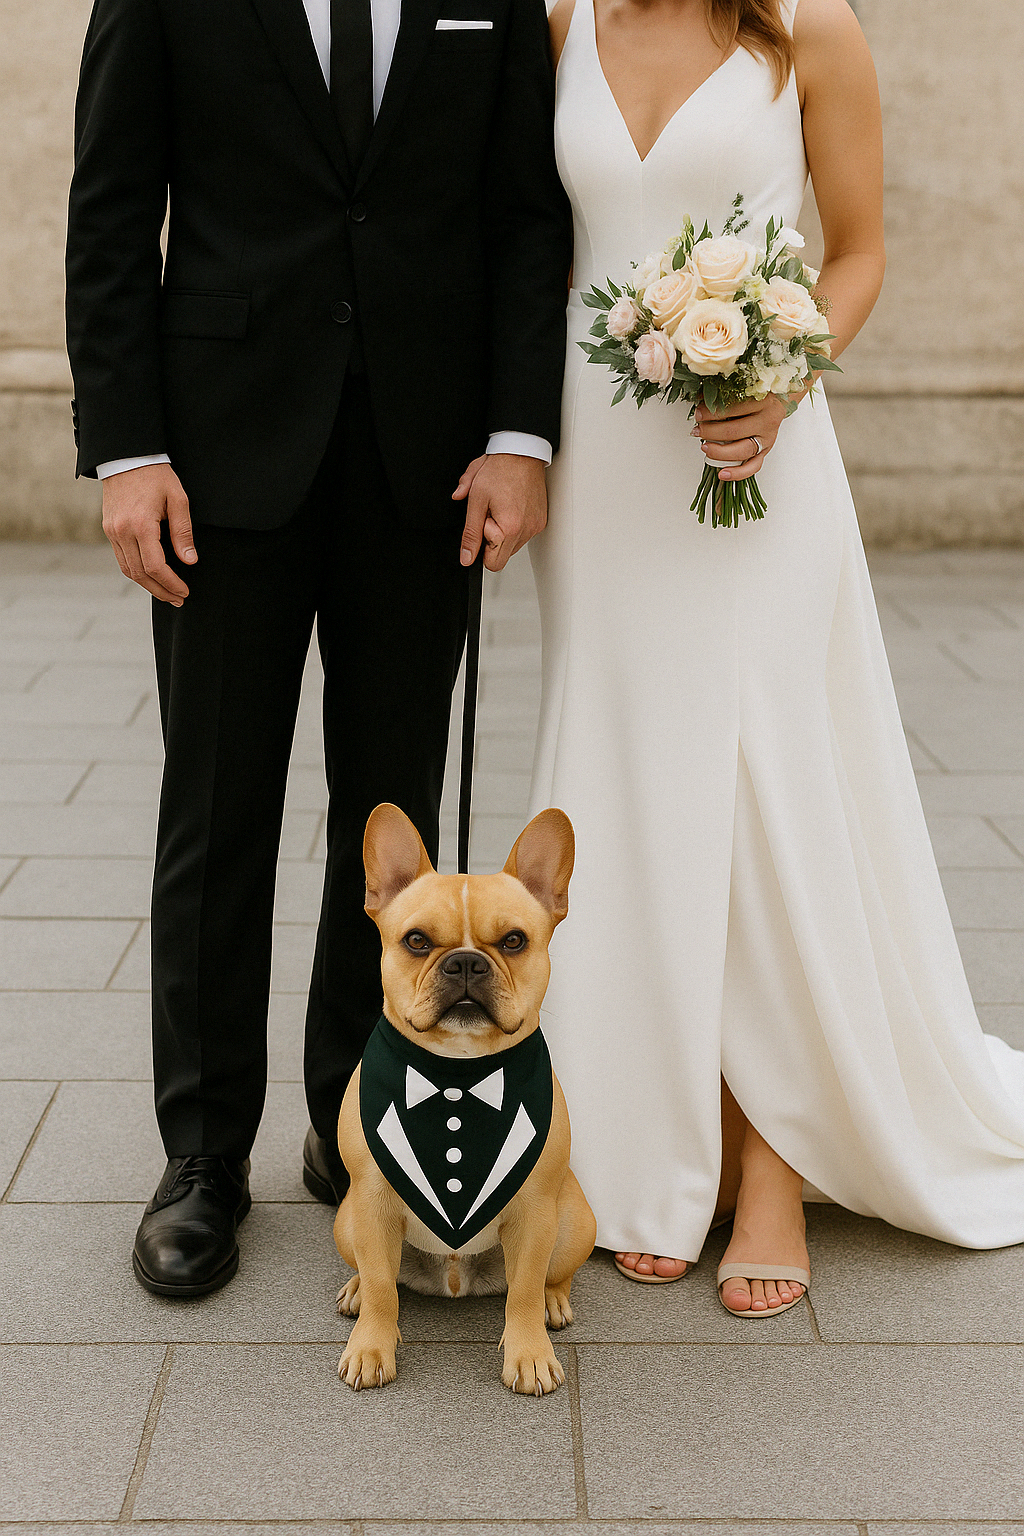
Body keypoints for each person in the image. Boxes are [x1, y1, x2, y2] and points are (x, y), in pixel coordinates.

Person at [523, 0, 1024, 1313]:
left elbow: (856, 254)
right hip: (601, 471)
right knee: (629, 777)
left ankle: (771, 1160)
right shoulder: (558, 20)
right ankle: (640, 1128)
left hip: (757, 452)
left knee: (760, 787)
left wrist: (782, 375)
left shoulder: (812, 31)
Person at [65, 0, 571, 1296]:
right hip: (220, 461)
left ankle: (362, 1120)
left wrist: (521, 433)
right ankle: (201, 1159)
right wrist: (128, 450)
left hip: (424, 465)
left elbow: (525, 214)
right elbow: (114, 208)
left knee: (388, 812)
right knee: (218, 811)